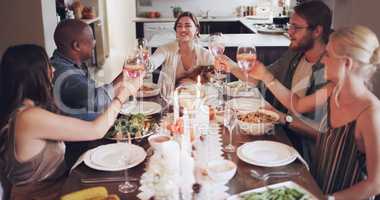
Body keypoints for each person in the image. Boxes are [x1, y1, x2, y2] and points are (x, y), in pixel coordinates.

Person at [250, 25, 380, 199]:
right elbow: (297, 104)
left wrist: (330, 198)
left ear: (346, 63)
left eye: (328, 54)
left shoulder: (371, 113)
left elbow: (375, 184)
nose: (323, 60)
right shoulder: (333, 90)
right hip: (316, 187)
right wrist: (266, 76)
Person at [0, 44, 143, 200]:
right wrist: (121, 97)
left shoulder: (29, 110)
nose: (53, 70)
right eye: (48, 66)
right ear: (34, 75)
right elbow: (96, 130)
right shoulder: (28, 118)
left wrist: (122, 84)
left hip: (62, 188)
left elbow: (81, 124)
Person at [215, 1, 333, 163]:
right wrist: (230, 65)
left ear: (317, 31)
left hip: (305, 153)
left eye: (296, 28)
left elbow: (319, 133)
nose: (289, 32)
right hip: (280, 135)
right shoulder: (295, 54)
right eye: (289, 25)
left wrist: (281, 117)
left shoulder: (329, 71)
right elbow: (260, 77)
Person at [51, 19, 126, 120]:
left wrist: (123, 77)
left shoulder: (71, 63)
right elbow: (96, 102)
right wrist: (125, 75)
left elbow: (95, 95)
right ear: (77, 46)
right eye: (91, 39)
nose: (94, 43)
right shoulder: (64, 74)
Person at [149, 11, 214, 90]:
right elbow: (153, 61)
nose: (183, 29)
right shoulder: (166, 49)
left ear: (196, 30)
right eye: (179, 26)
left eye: (188, 26)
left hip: (197, 99)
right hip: (169, 98)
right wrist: (144, 63)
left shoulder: (205, 54)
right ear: (176, 31)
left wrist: (195, 83)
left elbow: (214, 81)